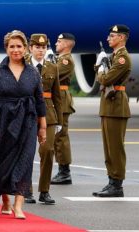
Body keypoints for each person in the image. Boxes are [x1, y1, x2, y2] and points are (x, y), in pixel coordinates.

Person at [0, 30, 46, 219]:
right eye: (12, 46)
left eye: (19, 46)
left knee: (25, 162)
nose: (16, 50)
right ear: (6, 49)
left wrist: (43, 127)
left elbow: (40, 101)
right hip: (3, 122)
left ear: (25, 48)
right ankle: (6, 200)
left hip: (28, 121)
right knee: (2, 162)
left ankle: (18, 205)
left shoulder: (33, 72)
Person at [92, 24, 132, 197]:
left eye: (112, 36)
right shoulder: (114, 56)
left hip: (117, 105)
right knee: (108, 147)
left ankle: (117, 184)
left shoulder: (122, 58)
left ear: (121, 38)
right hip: (108, 105)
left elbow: (107, 79)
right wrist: (99, 66)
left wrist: (100, 70)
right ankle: (111, 181)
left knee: (115, 147)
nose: (109, 38)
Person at [25, 33, 62, 205]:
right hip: (27, 113)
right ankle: (26, 190)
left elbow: (57, 96)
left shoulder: (52, 67)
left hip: (48, 114)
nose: (40, 50)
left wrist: (60, 121)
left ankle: (44, 190)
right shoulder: (22, 65)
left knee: (47, 151)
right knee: (26, 152)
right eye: (37, 47)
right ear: (30, 48)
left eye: (43, 47)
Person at [51, 33, 76, 185]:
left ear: (66, 44)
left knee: (61, 137)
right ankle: (62, 170)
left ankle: (65, 172)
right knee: (56, 137)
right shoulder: (59, 59)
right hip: (57, 99)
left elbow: (53, 75)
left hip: (62, 100)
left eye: (59, 41)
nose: (56, 44)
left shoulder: (66, 61)